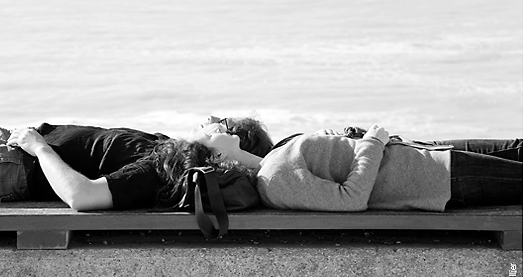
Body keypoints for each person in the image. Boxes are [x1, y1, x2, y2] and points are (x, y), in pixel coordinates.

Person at [0, 116, 273, 211]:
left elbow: (83, 196)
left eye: (222, 121)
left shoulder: (158, 168)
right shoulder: (170, 155)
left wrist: (40, 148)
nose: (211, 116)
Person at [196, 122, 522, 212]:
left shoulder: (276, 156)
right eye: (206, 137)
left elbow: (338, 157)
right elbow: (352, 198)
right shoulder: (275, 181)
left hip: (424, 154)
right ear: (219, 159)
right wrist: (372, 144)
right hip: (440, 177)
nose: (211, 128)